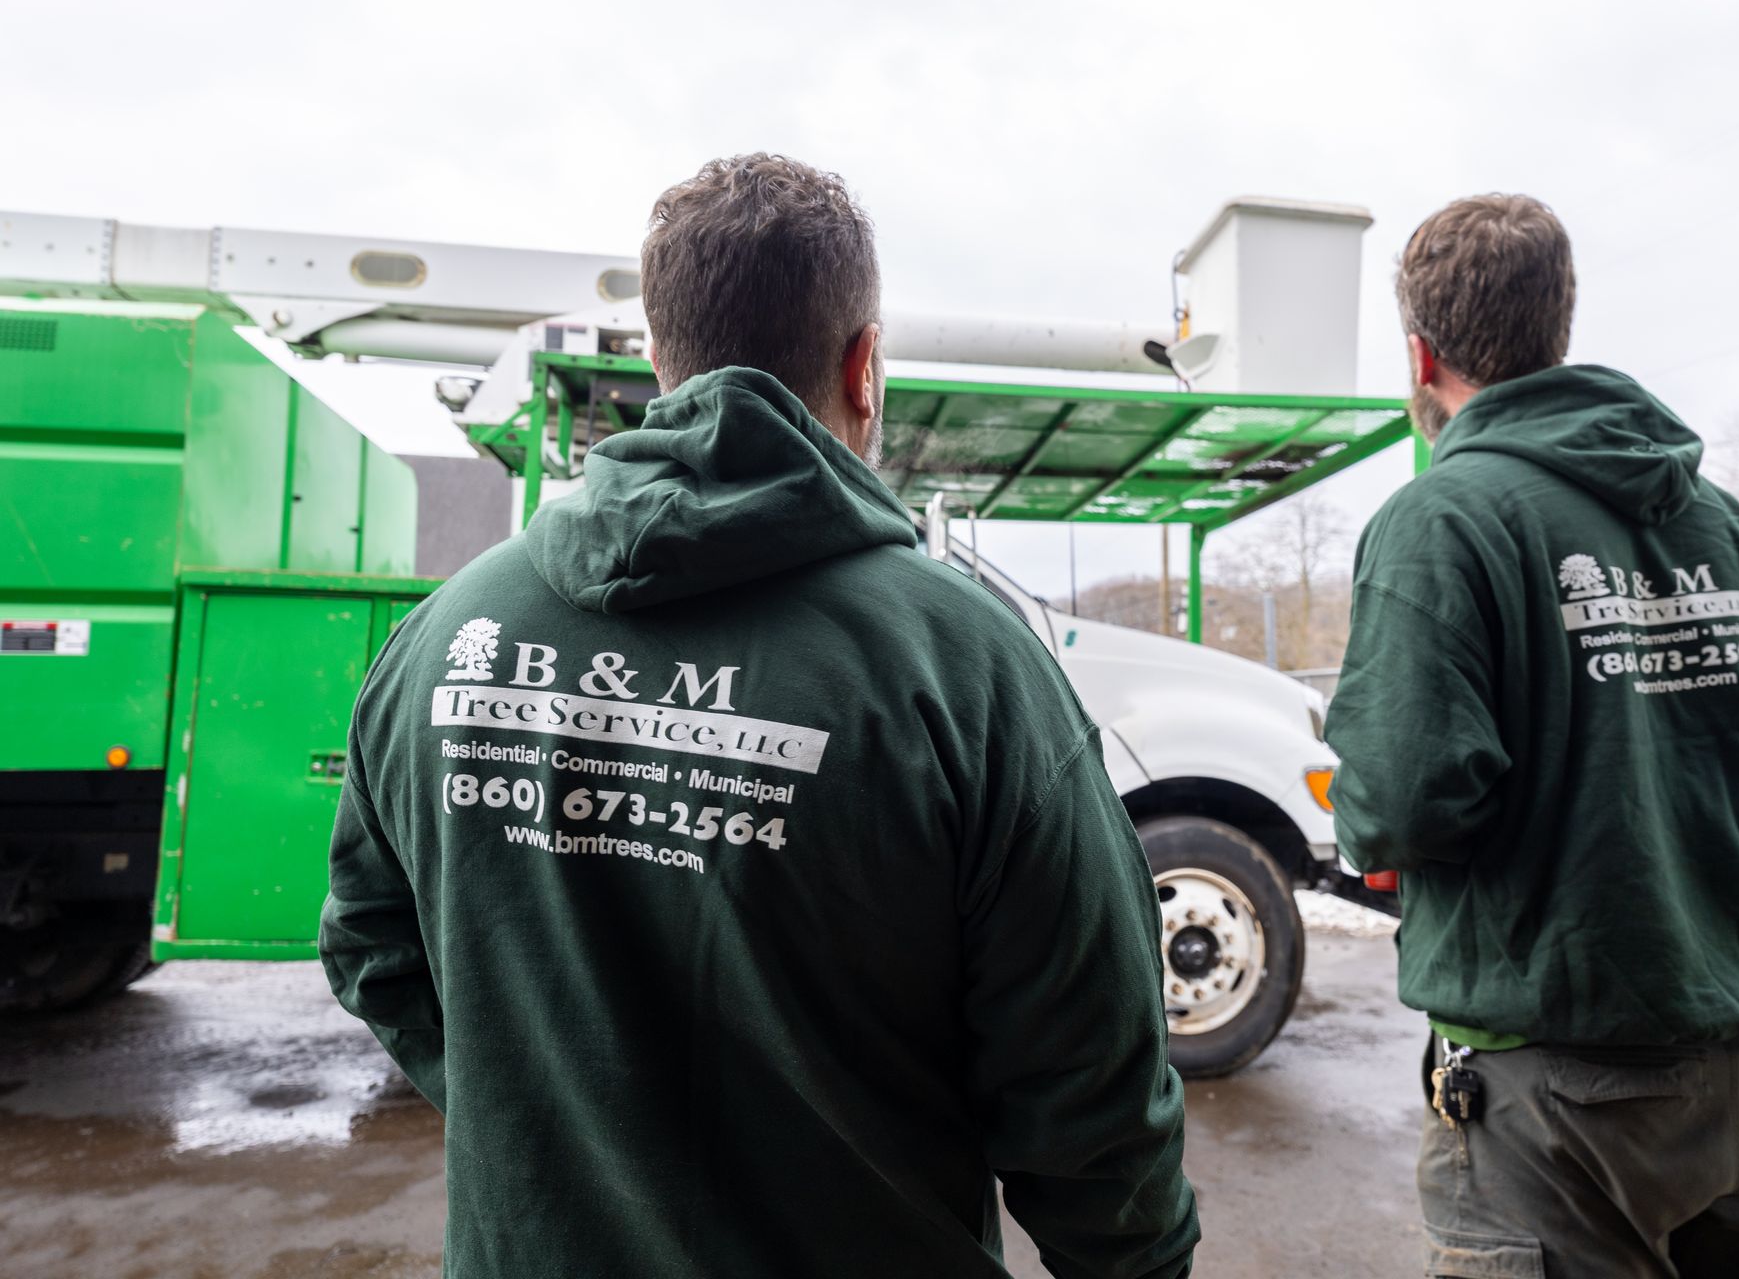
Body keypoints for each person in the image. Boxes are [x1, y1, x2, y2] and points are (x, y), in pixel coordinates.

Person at [318, 153, 1199, 1278]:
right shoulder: (971, 673)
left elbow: (369, 942)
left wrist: (548, 1111)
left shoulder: (440, 641)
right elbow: (1094, 1099)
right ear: (864, 366)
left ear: (657, 356)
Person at [1325, 194, 1739, 1278]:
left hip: (1560, 1102)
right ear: (1559, 325)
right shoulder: (1727, 526)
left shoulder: (1442, 520)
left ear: (1421, 353)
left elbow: (1399, 804)